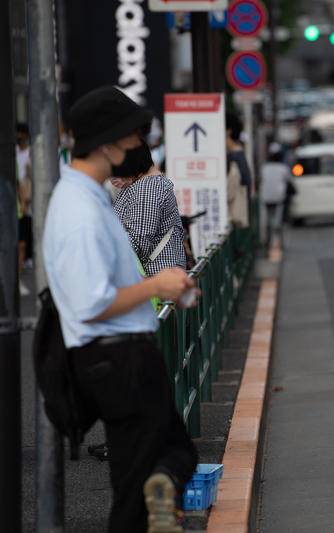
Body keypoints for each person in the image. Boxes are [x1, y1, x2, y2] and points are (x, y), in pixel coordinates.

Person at [43, 86, 198, 532]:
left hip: (121, 352)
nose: (137, 146)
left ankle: (160, 487)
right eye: (131, 137)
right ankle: (158, 489)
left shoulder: (89, 197)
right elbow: (90, 301)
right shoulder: (80, 209)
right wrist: (158, 284)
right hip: (116, 355)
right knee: (137, 489)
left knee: (171, 454)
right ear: (106, 144)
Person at [111, 145, 186, 277]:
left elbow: (139, 240)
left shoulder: (147, 187)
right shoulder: (148, 184)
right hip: (161, 275)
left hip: (155, 277)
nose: (112, 176)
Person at [259, 143, 290, 251]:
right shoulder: (283, 168)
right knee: (278, 222)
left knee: (268, 222)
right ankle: (279, 244)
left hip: (266, 197)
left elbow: (261, 180)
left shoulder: (264, 168)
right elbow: (288, 180)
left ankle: (268, 243)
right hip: (278, 197)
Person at [225, 113, 251, 228]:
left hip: (231, 217)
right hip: (235, 218)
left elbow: (229, 192)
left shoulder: (233, 157)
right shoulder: (240, 155)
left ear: (228, 132)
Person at [16, 123, 33, 296]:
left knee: (22, 243)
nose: (19, 137)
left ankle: (19, 274)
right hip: (16, 200)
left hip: (24, 200)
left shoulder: (30, 153)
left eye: (21, 134)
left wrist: (25, 199)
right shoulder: (13, 153)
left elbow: (27, 178)